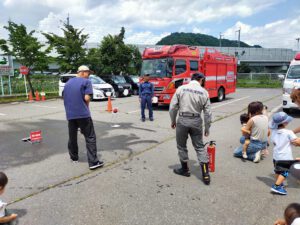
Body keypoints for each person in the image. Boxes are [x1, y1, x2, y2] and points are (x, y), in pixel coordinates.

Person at [169, 72, 212, 185]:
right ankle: (205, 174)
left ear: (191, 79)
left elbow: (173, 107)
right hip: (196, 121)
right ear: (201, 80)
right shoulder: (204, 92)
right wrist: (207, 128)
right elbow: (208, 113)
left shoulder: (181, 88)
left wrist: (173, 120)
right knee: (199, 146)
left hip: (182, 120)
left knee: (181, 145)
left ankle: (185, 169)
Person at [63, 65, 104, 170]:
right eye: (88, 73)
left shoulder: (67, 83)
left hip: (70, 115)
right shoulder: (86, 82)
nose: (89, 75)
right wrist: (87, 110)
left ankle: (74, 157)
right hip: (83, 114)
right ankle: (93, 162)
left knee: (72, 137)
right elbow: (86, 98)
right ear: (83, 72)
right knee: (90, 137)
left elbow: (65, 97)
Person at [269, 111, 299, 195]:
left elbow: (273, 142)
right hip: (285, 157)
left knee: (277, 171)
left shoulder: (274, 132)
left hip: (276, 156)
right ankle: (277, 186)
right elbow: (296, 141)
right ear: (285, 123)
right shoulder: (289, 132)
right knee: (285, 172)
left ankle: (279, 183)